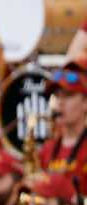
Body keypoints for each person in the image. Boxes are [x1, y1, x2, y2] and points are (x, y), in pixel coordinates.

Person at [40, 59, 87, 193]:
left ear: (85, 103)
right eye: (57, 95)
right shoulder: (46, 150)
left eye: (68, 95)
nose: (60, 102)